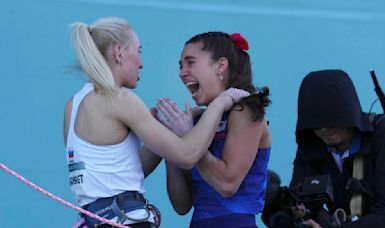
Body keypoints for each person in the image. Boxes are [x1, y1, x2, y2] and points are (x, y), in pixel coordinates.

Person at [64, 18, 249, 228]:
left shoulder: (74, 104)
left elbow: (123, 173)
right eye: (138, 51)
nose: (141, 62)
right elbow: (188, 155)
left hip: (94, 220)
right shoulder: (120, 99)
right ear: (119, 53)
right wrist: (220, 103)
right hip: (124, 220)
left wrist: (163, 132)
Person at [152, 31, 272, 228]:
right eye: (181, 66)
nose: (182, 73)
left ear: (220, 66)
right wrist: (172, 145)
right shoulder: (199, 119)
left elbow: (227, 185)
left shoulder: (244, 109)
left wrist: (188, 137)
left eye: (190, 63)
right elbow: (181, 205)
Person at [290, 69, 385, 227]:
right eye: (316, 124)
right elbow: (298, 197)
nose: (324, 129)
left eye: (332, 121)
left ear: (349, 114)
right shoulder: (313, 142)